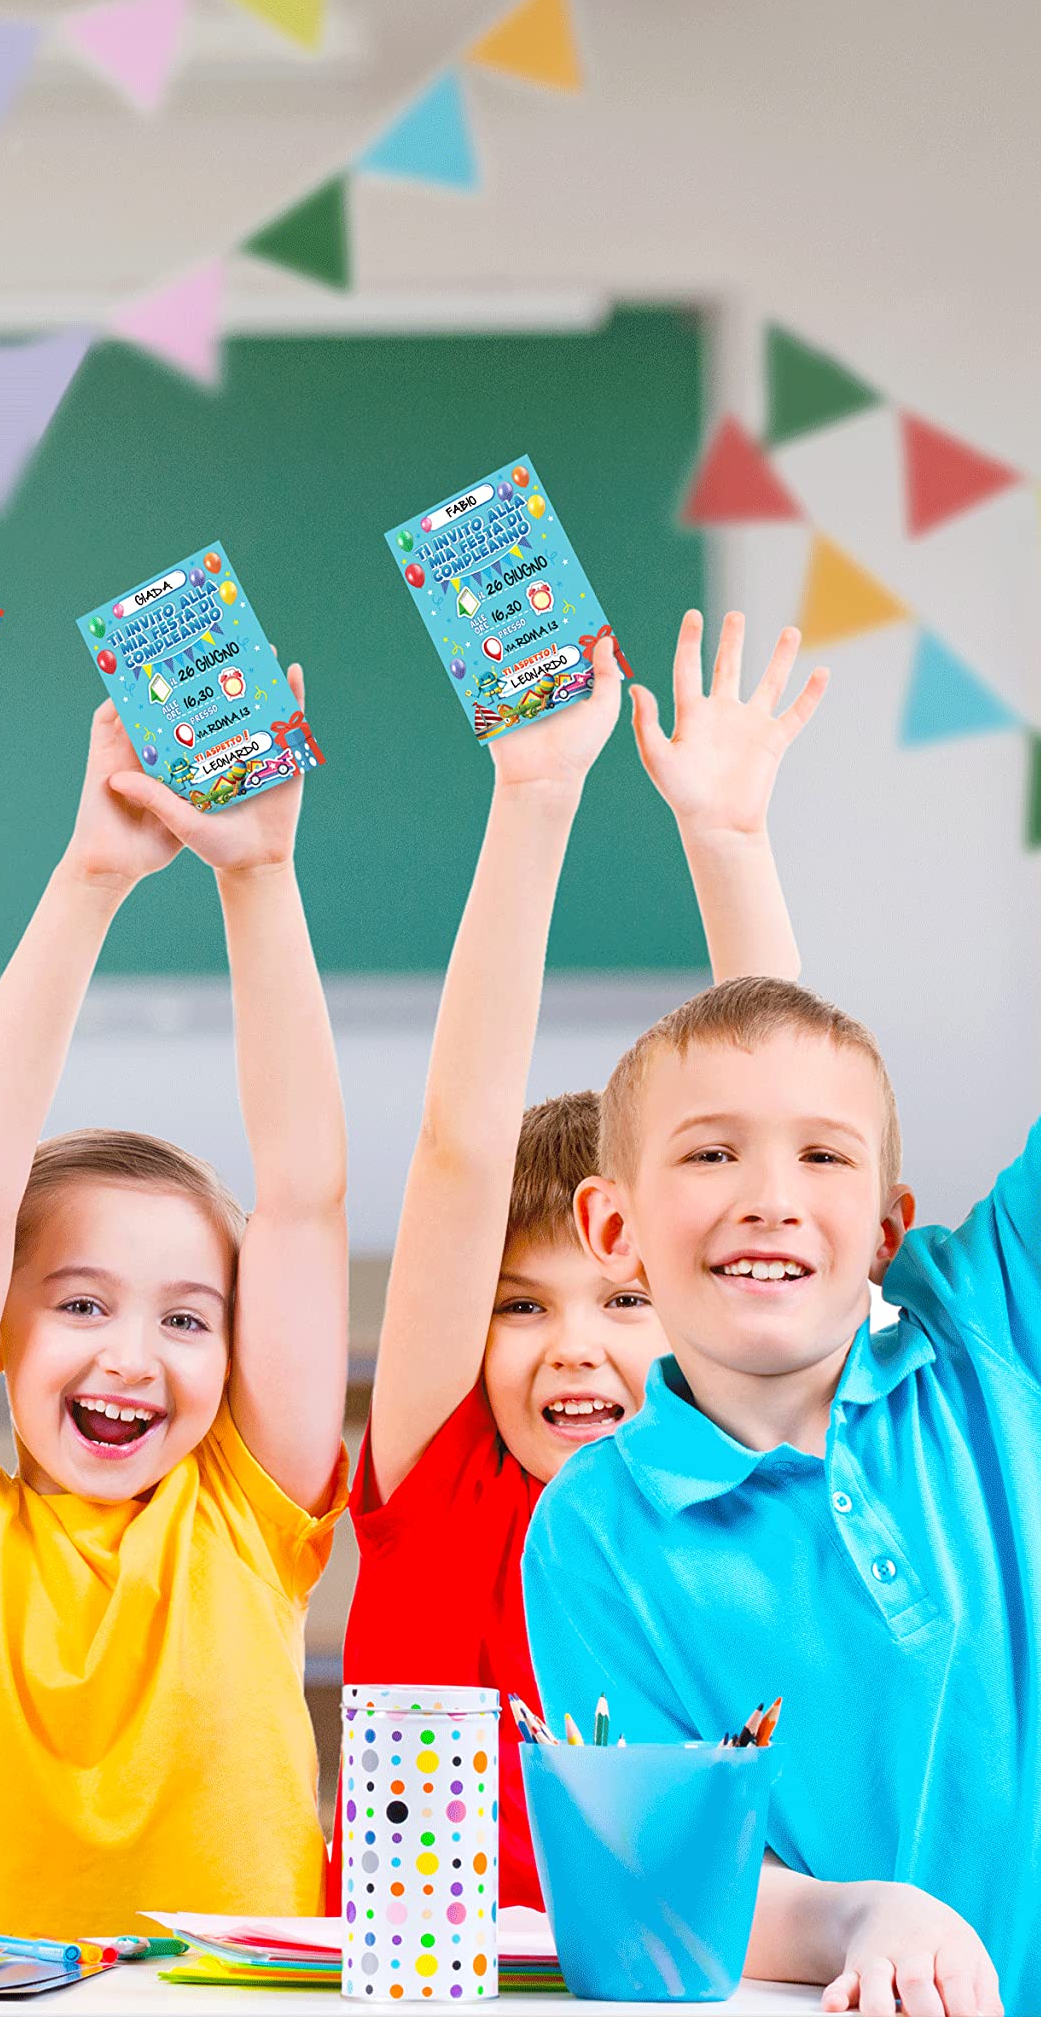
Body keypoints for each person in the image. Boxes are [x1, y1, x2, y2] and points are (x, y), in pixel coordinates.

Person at [526, 475, 1041, 2015]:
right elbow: (667, 1887)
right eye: (709, 1159)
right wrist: (859, 1915)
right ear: (616, 1227)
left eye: (824, 1165)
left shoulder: (1010, 1326)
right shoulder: (598, 1528)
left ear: (887, 1228)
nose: (770, 1196)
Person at [0, 679, 348, 1934]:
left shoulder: (250, 1518)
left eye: (187, 1319)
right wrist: (89, 878)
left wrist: (261, 877)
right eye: (81, 1303)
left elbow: (302, 1199)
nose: (133, 1355)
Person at [345, 614, 819, 1906]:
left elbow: (783, 1137)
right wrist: (536, 795)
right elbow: (458, 1150)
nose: (573, 1345)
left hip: (691, 1980)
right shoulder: (443, 1485)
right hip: (425, 1984)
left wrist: (729, 840)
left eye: (625, 1298)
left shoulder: (740, 1488)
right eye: (518, 1305)